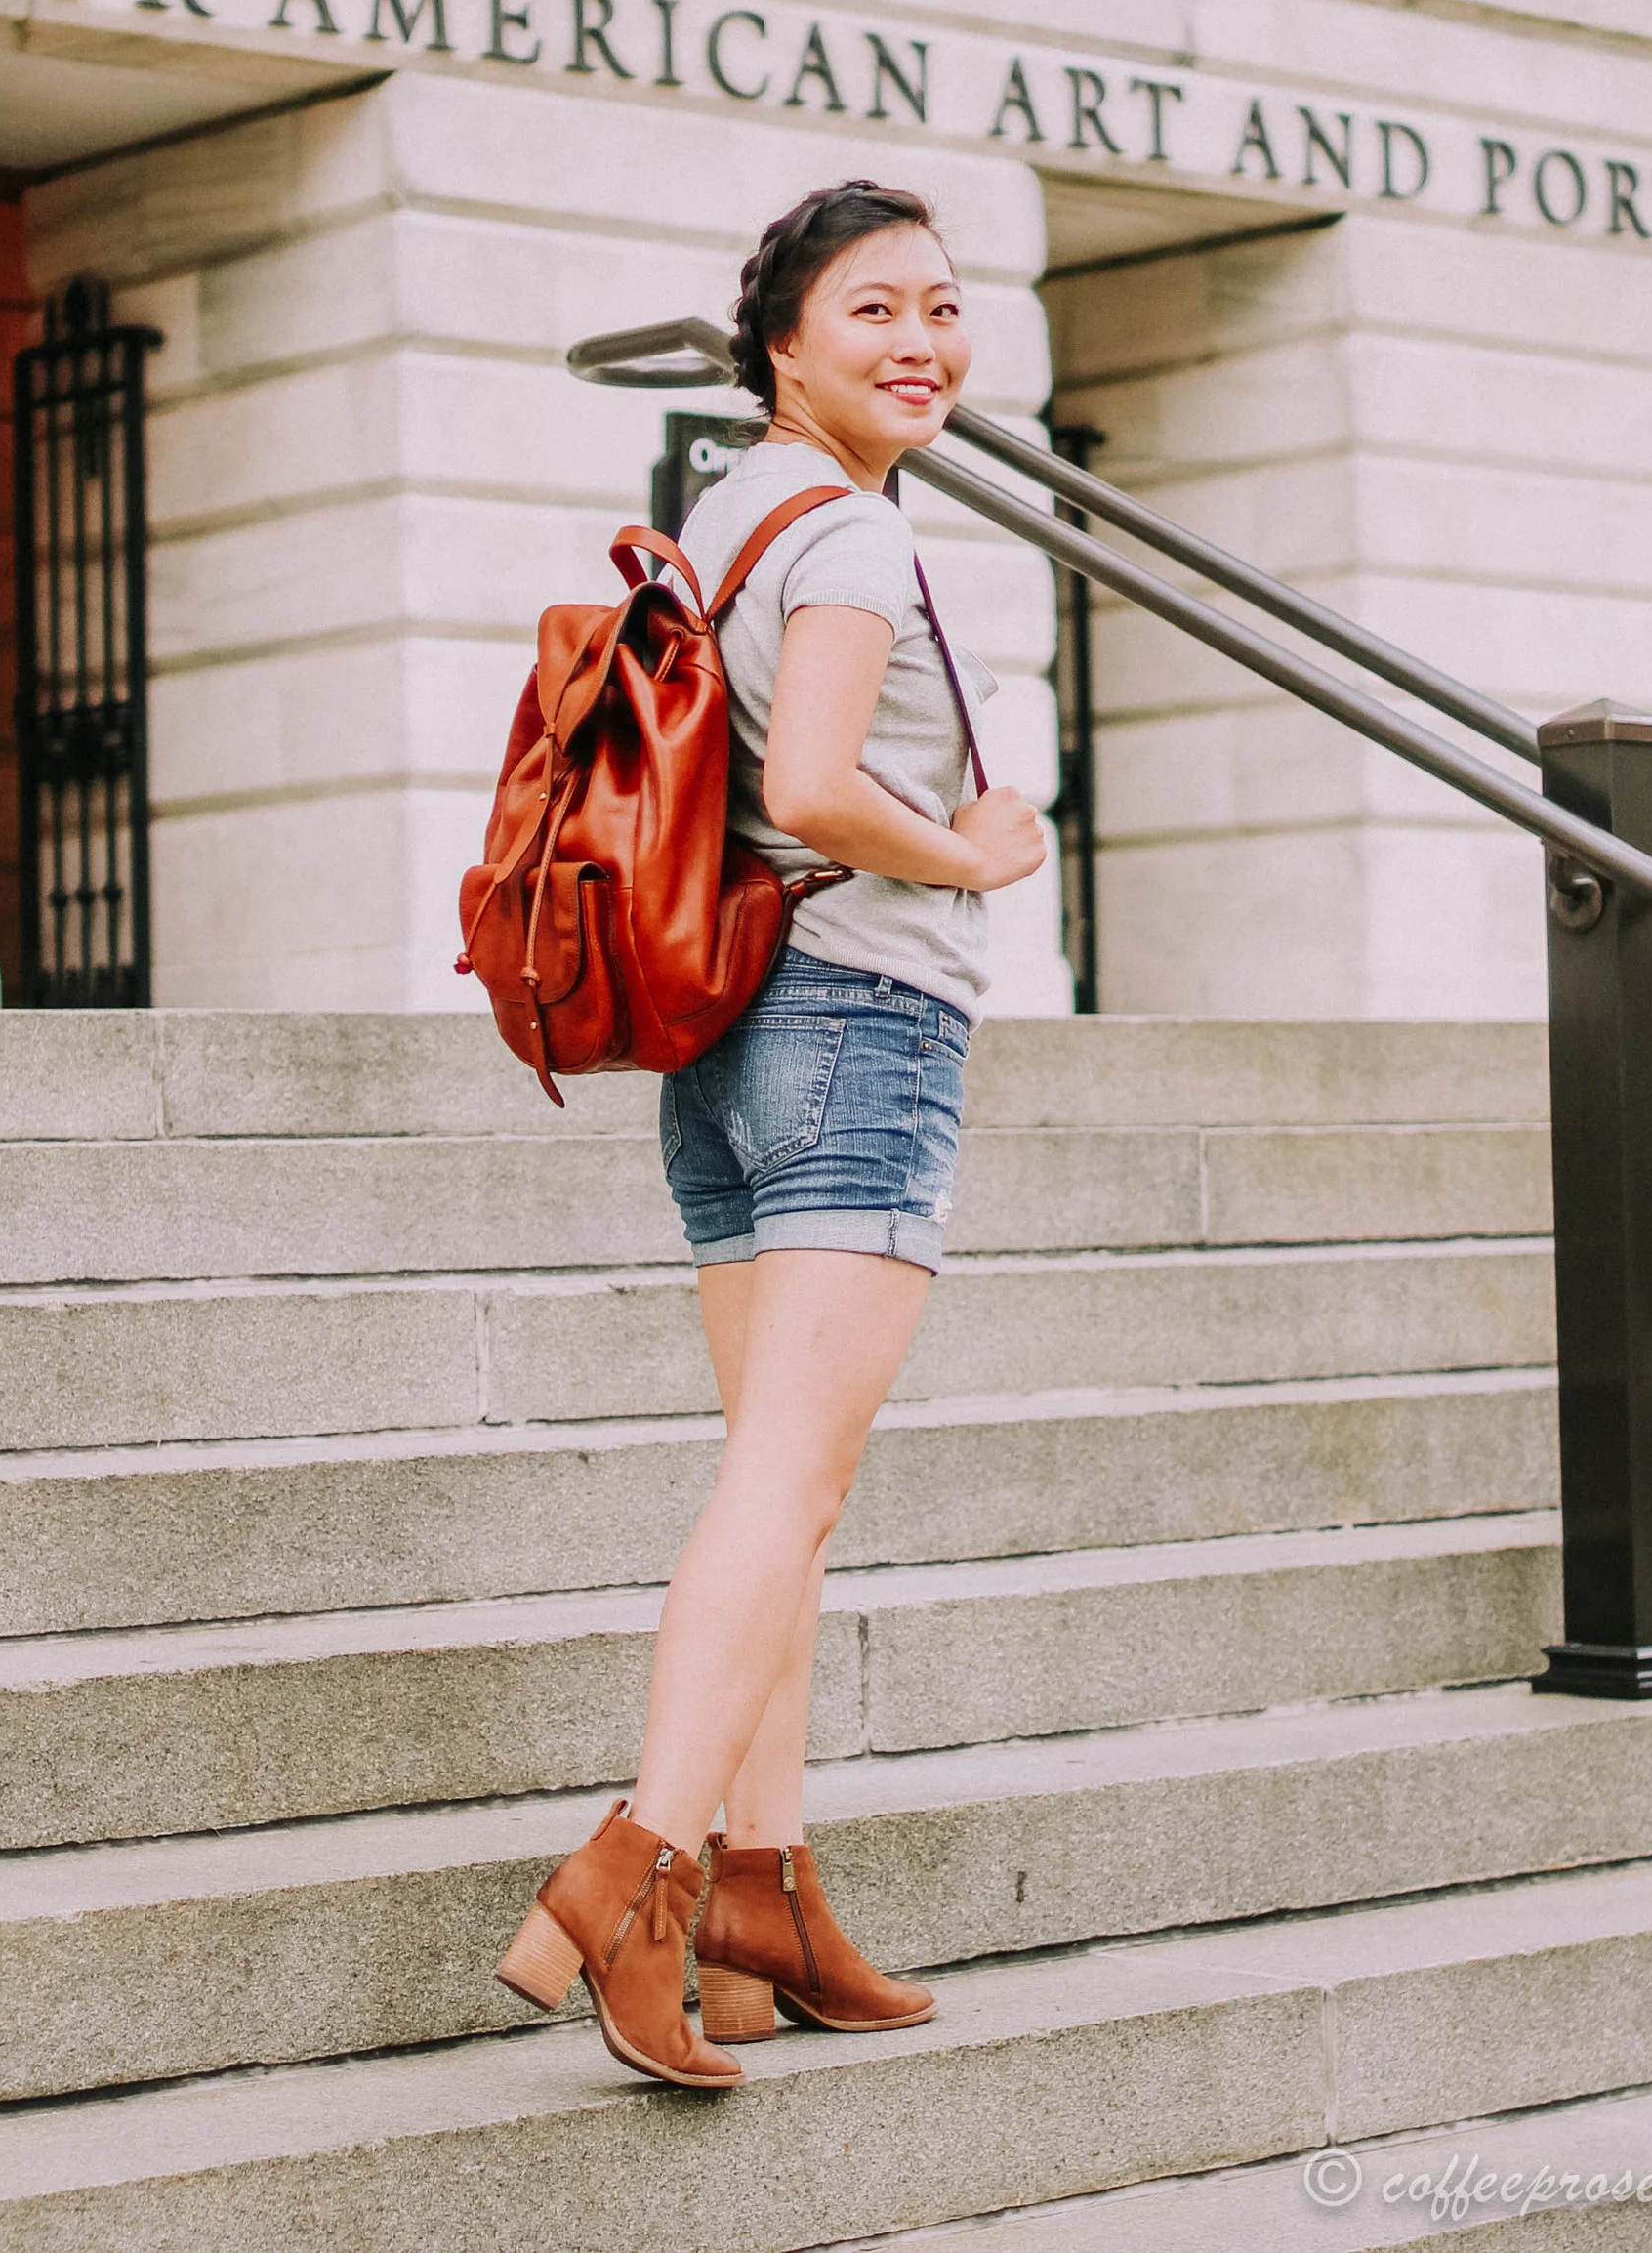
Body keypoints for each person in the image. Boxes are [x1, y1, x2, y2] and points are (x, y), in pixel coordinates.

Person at [496, 182, 1051, 2085]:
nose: (922, 342)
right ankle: (626, 1870)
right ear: (784, 344)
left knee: (774, 1480)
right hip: (856, 1019)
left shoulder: (728, 513)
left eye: (944, 309)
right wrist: (975, 842)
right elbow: (814, 782)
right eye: (874, 309)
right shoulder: (855, 542)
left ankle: (760, 1896)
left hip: (726, 1038)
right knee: (785, 1488)